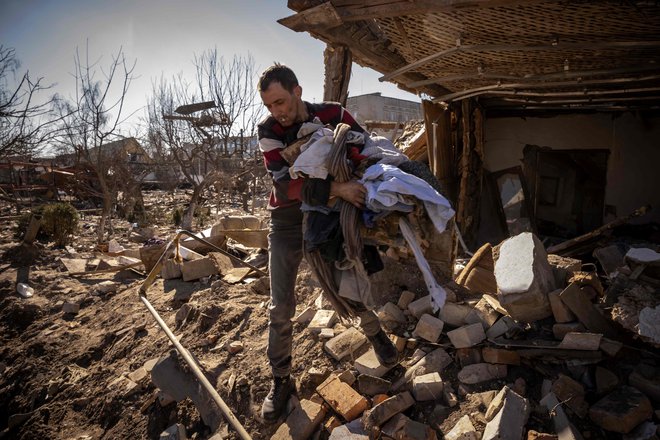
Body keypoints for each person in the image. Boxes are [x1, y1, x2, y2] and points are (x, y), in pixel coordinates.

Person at [257, 63, 398, 422]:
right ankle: (281, 379)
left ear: (297, 91)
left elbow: (364, 151)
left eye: (281, 102)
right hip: (288, 221)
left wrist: (351, 185)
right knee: (281, 306)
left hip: (329, 213)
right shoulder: (268, 132)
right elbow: (285, 187)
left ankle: (376, 335)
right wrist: (337, 188)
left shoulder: (334, 114)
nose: (278, 112)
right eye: (270, 105)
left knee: (345, 281)